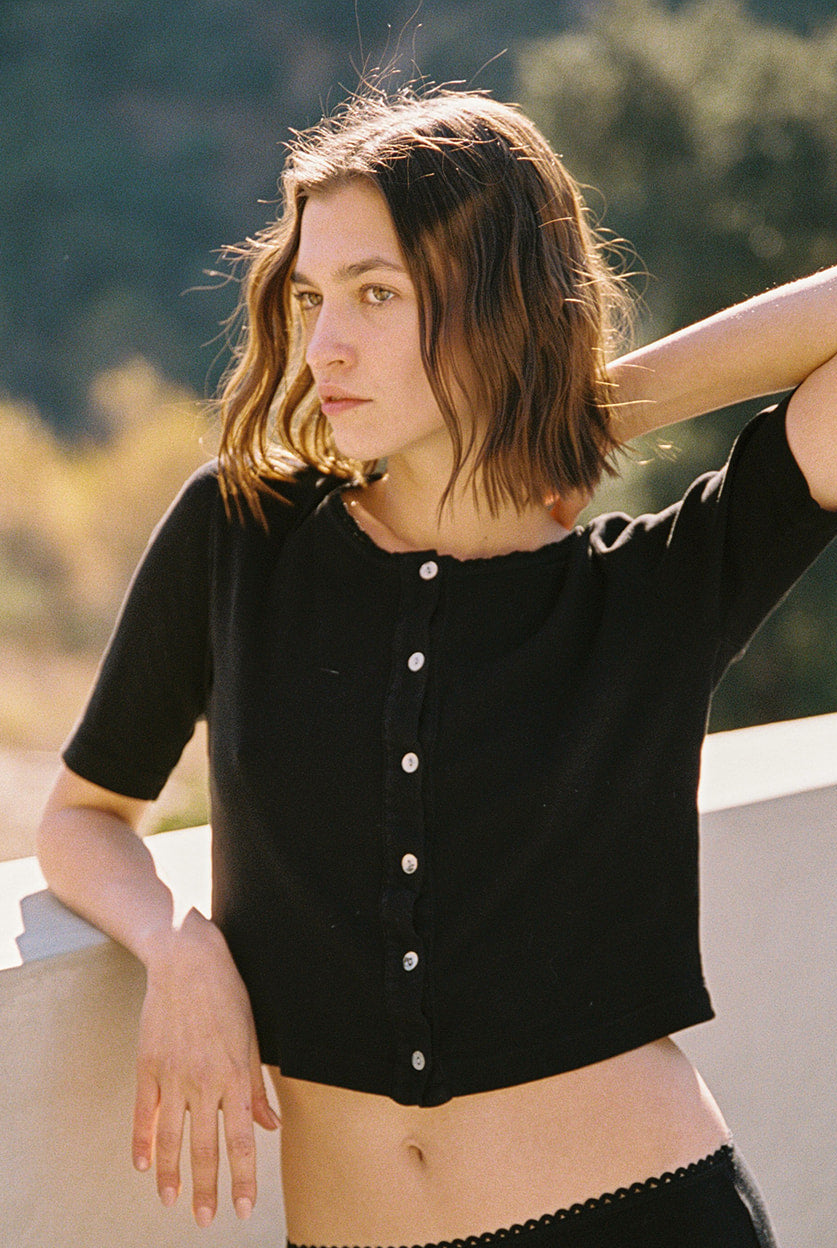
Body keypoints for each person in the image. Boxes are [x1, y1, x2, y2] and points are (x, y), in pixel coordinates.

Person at [37, 87, 837, 1248]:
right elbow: (83, 819)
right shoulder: (240, 535)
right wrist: (177, 944)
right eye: (314, 296)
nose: (326, 346)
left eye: (379, 293)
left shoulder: (659, 584)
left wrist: (572, 409)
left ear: (502, 307)